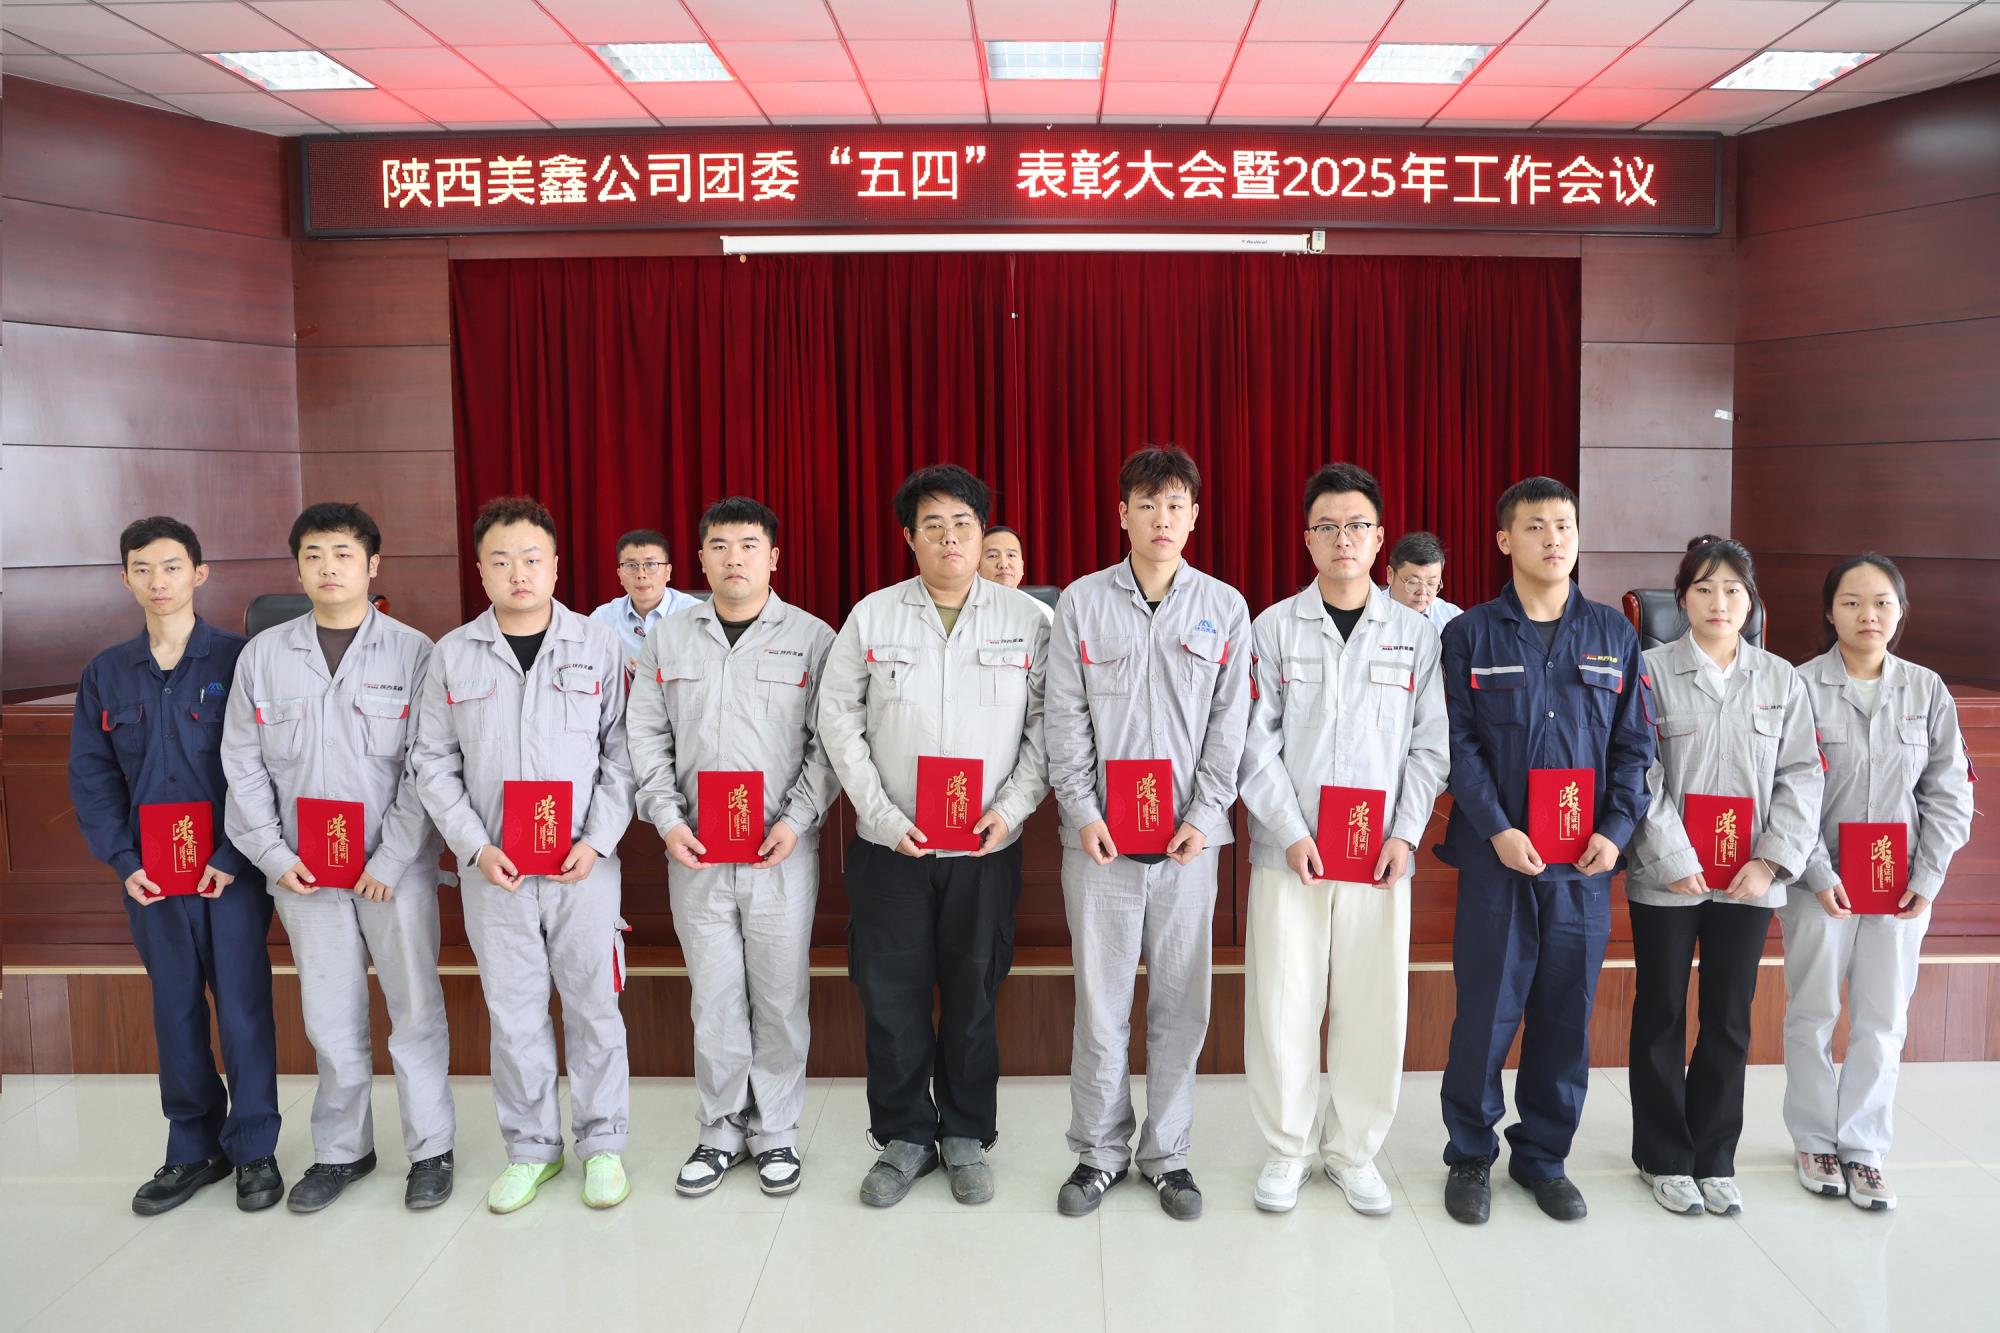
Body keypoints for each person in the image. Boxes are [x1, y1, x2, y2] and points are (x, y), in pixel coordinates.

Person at [816, 464, 1051, 1208]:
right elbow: (837, 721)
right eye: (933, 525)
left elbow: (1048, 727)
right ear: (909, 537)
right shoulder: (873, 616)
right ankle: (905, 1135)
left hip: (985, 848)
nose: (949, 538)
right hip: (891, 849)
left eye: (963, 524)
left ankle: (967, 1134)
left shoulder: (1027, 620)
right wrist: (885, 817)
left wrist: (1010, 809)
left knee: (974, 997)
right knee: (891, 996)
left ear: (983, 534)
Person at [221, 502, 455, 1213]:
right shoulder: (264, 656)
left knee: (414, 1010)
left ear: (373, 565)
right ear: (297, 567)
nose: (328, 568)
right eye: (313, 555)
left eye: (343, 554)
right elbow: (242, 765)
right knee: (329, 1015)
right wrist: (272, 855)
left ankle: (431, 1149)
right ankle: (342, 1150)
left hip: (394, 874)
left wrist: (390, 858)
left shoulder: (415, 652)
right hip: (304, 874)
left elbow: (428, 765)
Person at [1436, 476, 1655, 1225]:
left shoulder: (1615, 635)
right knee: (1486, 1014)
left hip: (1582, 866)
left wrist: (1615, 830)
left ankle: (1543, 1157)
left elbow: (1635, 747)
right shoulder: (1469, 635)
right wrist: (1497, 827)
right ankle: (1470, 1153)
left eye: (1563, 524)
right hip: (1497, 860)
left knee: (1565, 1015)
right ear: (1505, 539)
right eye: (1535, 526)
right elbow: (1457, 745)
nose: (1553, 538)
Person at [411, 495, 637, 1214]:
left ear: (556, 566)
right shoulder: (453, 654)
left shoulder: (599, 646)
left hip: (583, 869)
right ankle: (533, 1149)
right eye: (501, 560)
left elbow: (624, 753)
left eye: (532, 559)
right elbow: (431, 762)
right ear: (480, 571)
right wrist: (474, 847)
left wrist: (596, 840)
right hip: (495, 872)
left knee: (594, 1007)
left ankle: (603, 1144)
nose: (518, 573)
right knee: (513, 1014)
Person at [1044, 446, 1251, 1222]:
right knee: (1100, 1004)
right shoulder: (1081, 603)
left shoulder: (1225, 607)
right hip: (1099, 841)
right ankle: (1098, 1151)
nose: (1161, 518)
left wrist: (1204, 814)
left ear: (1194, 515)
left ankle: (1168, 1154)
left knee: (1180, 1003)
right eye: (1146, 503)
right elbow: (1063, 716)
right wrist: (1083, 811)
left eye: (1175, 504)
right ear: (1122, 514)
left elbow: (1231, 724)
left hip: (1188, 846)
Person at [1238, 463, 1448, 1216]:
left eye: (1356, 525)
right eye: (1326, 526)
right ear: (1307, 539)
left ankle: (1353, 1151)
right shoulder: (1272, 628)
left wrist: (1406, 834)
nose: (1342, 539)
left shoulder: (1416, 636)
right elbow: (1251, 744)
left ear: (1380, 537)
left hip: (1379, 855)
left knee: (1373, 1005)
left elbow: (1430, 746)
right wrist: (1291, 831)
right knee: (1282, 1002)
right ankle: (1288, 1148)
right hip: (1290, 853)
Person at [627, 496, 839, 1199]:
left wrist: (797, 819)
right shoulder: (668, 639)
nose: (734, 558)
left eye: (749, 545)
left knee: (779, 995)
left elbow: (830, 744)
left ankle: (775, 1129)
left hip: (781, 851)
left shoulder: (812, 638)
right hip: (695, 851)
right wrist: (667, 820)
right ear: (700, 558)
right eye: (719, 546)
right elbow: (645, 737)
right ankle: (720, 1128)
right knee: (714, 995)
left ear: (774, 556)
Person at [69, 516, 282, 1215]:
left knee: (243, 1008)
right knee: (174, 1007)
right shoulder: (106, 673)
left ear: (199, 573)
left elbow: (267, 767)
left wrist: (234, 851)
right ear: (125, 579)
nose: (157, 581)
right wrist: (123, 859)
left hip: (229, 873)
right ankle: (193, 1146)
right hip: (152, 880)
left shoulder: (241, 660)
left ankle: (254, 1147)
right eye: (142, 569)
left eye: (170, 567)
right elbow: (93, 778)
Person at [1622, 536, 1822, 1218]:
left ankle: (1713, 1156)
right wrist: (1674, 857)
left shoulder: (1781, 680)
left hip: (1749, 879)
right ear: (1680, 601)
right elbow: (1637, 770)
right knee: (1661, 1012)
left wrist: (1770, 860)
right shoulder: (1648, 672)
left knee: (1729, 1017)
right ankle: (1662, 1155)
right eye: (1704, 589)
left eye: (1733, 590)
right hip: (1667, 876)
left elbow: (1803, 775)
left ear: (1752, 602)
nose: (1719, 602)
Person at [1781, 553, 1974, 1212]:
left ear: (1900, 612)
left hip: (1900, 887)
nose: (1869, 614)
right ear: (1829, 611)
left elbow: (1950, 792)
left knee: (1883, 1018)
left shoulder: (1926, 689)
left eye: (1882, 602)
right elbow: (1784, 790)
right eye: (1853, 602)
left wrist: (1929, 875)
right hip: (1818, 884)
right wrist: (1816, 869)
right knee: (1813, 1013)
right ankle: (1814, 1140)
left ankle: (1863, 1147)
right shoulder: (1798, 686)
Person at [590, 528, 702, 678]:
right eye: (631, 565)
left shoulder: (695, 613)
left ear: (668, 572)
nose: (641, 574)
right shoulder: (602, 619)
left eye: (651, 564)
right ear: (620, 575)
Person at [1386, 531, 1464, 632]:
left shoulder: (1454, 619)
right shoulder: (1369, 611)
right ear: (1390, 575)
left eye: (1431, 583)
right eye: (1413, 582)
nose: (1422, 592)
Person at [982, 525, 1054, 622]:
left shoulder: (1042, 612)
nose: (1004, 564)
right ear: (977, 566)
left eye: (1011, 555)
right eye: (993, 556)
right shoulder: (964, 611)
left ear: (1022, 566)